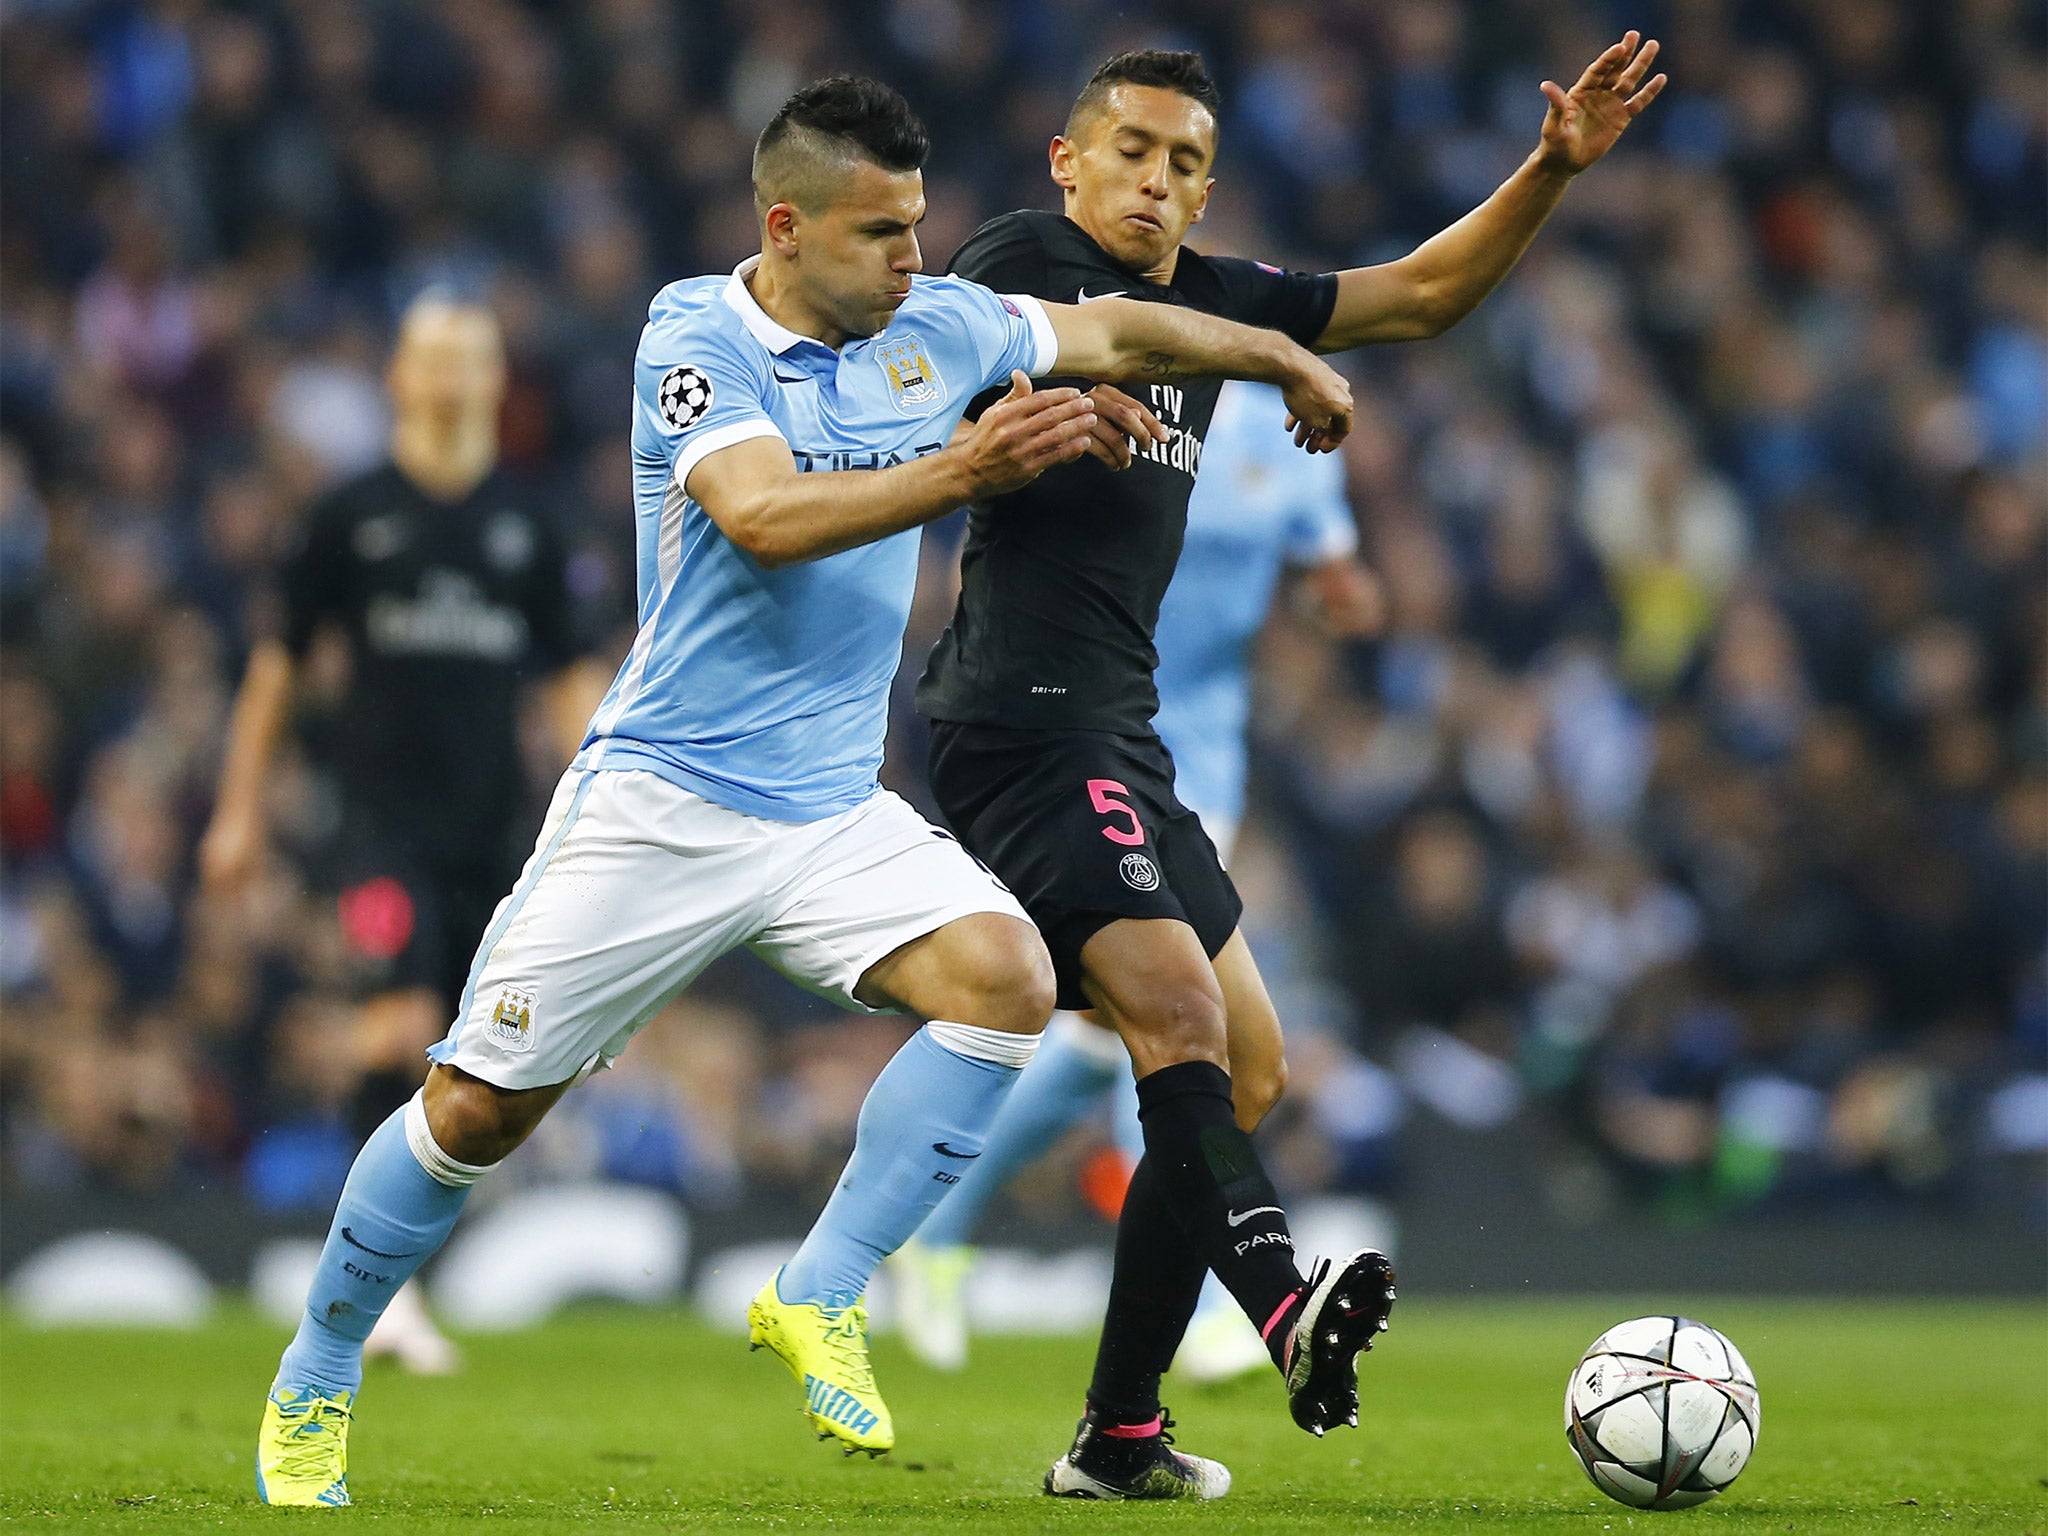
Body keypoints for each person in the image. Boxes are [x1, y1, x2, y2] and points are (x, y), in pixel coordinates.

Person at [249, 74, 1355, 1507]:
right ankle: (318, 1376)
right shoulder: (696, 333)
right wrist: (964, 466)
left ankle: (821, 1286)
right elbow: (762, 517)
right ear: (789, 225)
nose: (918, 259)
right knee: (473, 1113)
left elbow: (1125, 325)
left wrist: (1272, 354)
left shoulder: (942, 326)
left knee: (1009, 977)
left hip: (830, 810)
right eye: (885, 233)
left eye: (920, 226)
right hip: (660, 802)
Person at [913, 39, 1664, 1499]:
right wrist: (1270, 350)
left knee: (1247, 1067)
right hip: (1017, 720)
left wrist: (1550, 172)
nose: (1157, 180)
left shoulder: (1209, 292)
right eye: (1133, 149)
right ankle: (1278, 1302)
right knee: (1180, 1017)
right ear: (1073, 161)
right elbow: (1112, 339)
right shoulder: (1022, 259)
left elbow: (1425, 294)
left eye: (1187, 162)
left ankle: (1119, 1436)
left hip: (1119, 733)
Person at [892, 377, 1379, 1384]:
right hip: (1075, 737)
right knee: (1172, 1019)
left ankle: (930, 1225)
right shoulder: (1095, 402)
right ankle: (1212, 1302)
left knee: (1111, 1034)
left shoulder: (1277, 433)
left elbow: (1330, 564)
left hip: (1198, 760)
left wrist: (1339, 594)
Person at [201, 294, 605, 1375]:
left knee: (467, 1064)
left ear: (491, 381)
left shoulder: (530, 520)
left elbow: (570, 682)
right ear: (398, 376)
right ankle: (378, 1293)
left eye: (469, 360)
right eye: (430, 358)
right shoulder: (347, 516)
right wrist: (240, 811)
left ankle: (386, 1278)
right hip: (375, 828)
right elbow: (278, 666)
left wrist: (602, 808)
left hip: (492, 835)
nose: (448, 377)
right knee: (394, 1024)